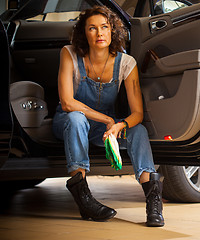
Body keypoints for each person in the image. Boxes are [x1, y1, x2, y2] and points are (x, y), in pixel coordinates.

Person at [52, 5, 164, 227]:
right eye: (92, 28)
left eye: (104, 27)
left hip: (106, 128)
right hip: (70, 122)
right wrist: (106, 120)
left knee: (138, 130)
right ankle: (84, 198)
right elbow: (67, 102)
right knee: (76, 118)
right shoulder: (69, 54)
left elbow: (138, 114)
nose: (99, 33)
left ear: (113, 31)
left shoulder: (126, 63)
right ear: (84, 32)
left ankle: (153, 200)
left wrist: (118, 125)